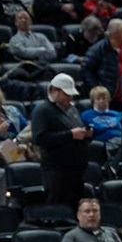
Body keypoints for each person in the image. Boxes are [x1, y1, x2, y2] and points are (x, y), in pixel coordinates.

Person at [31, 73, 91, 208]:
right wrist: (69, 135)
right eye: (66, 94)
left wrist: (86, 134)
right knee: (58, 206)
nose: (70, 97)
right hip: (56, 170)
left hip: (76, 169)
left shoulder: (73, 109)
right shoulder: (42, 110)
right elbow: (39, 138)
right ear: (55, 91)